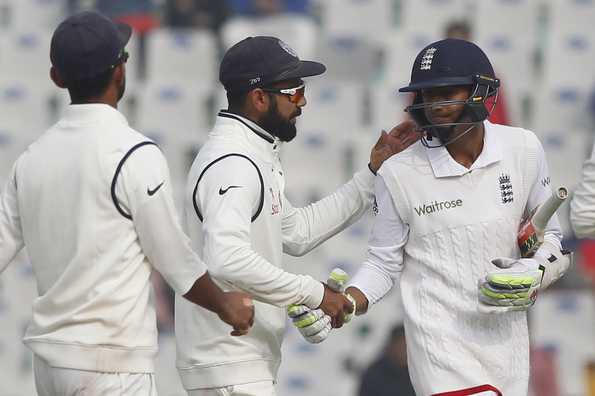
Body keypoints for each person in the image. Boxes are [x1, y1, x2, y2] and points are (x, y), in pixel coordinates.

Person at [0, 11, 254, 396]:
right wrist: (225, 305)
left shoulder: (30, 160)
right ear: (120, 72)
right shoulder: (134, 153)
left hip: (49, 368)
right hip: (110, 365)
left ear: (57, 78)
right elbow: (174, 259)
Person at [175, 36, 420, 396]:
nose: (303, 101)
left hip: (237, 363)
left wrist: (371, 174)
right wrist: (312, 293)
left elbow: (297, 232)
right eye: (294, 90)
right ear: (259, 98)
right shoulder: (234, 163)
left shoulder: (253, 155)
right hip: (228, 364)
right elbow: (225, 259)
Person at [323, 38, 569, 395]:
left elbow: (551, 239)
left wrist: (535, 271)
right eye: (427, 95)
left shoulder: (524, 148)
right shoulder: (398, 173)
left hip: (507, 345)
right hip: (439, 349)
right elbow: (383, 262)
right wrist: (347, 301)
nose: (435, 105)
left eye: (447, 92)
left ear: (481, 91)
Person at [444, 19, 511, 126]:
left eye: (462, 44)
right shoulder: (428, 78)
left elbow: (499, 121)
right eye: (452, 44)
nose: (457, 50)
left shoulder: (487, 77)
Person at [358, 324, 416, 396]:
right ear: (391, 346)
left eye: (407, 345)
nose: (403, 349)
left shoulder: (419, 373)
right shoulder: (374, 375)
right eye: (400, 345)